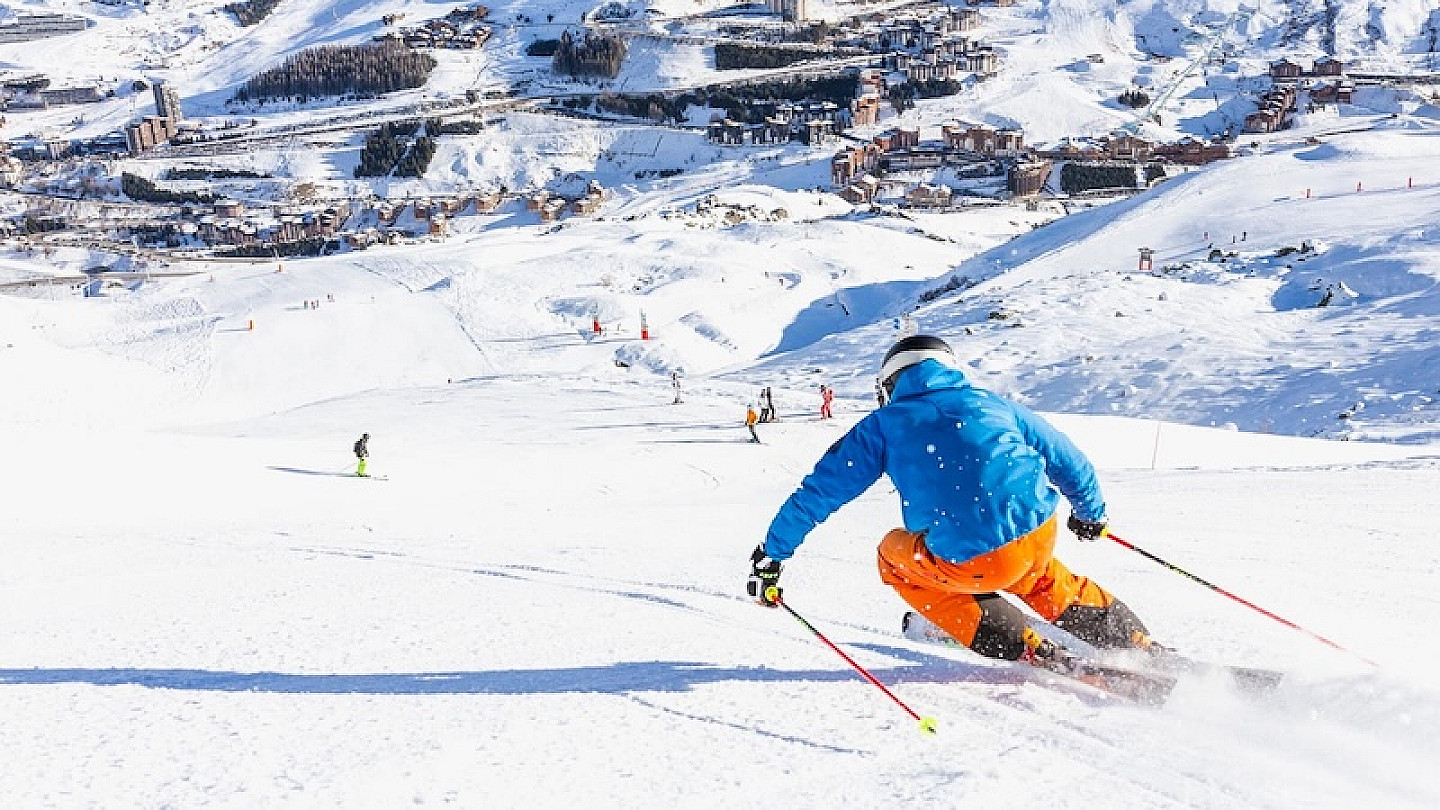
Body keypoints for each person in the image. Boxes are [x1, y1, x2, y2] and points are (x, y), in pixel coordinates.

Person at [747, 335, 1154, 665]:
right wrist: (1090, 514)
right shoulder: (993, 404)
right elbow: (1069, 460)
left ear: (890, 384)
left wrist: (773, 555)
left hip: (972, 559)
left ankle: (1014, 639)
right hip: (1037, 535)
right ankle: (1132, 640)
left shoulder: (883, 426)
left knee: (894, 557)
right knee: (1037, 575)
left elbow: (819, 493)